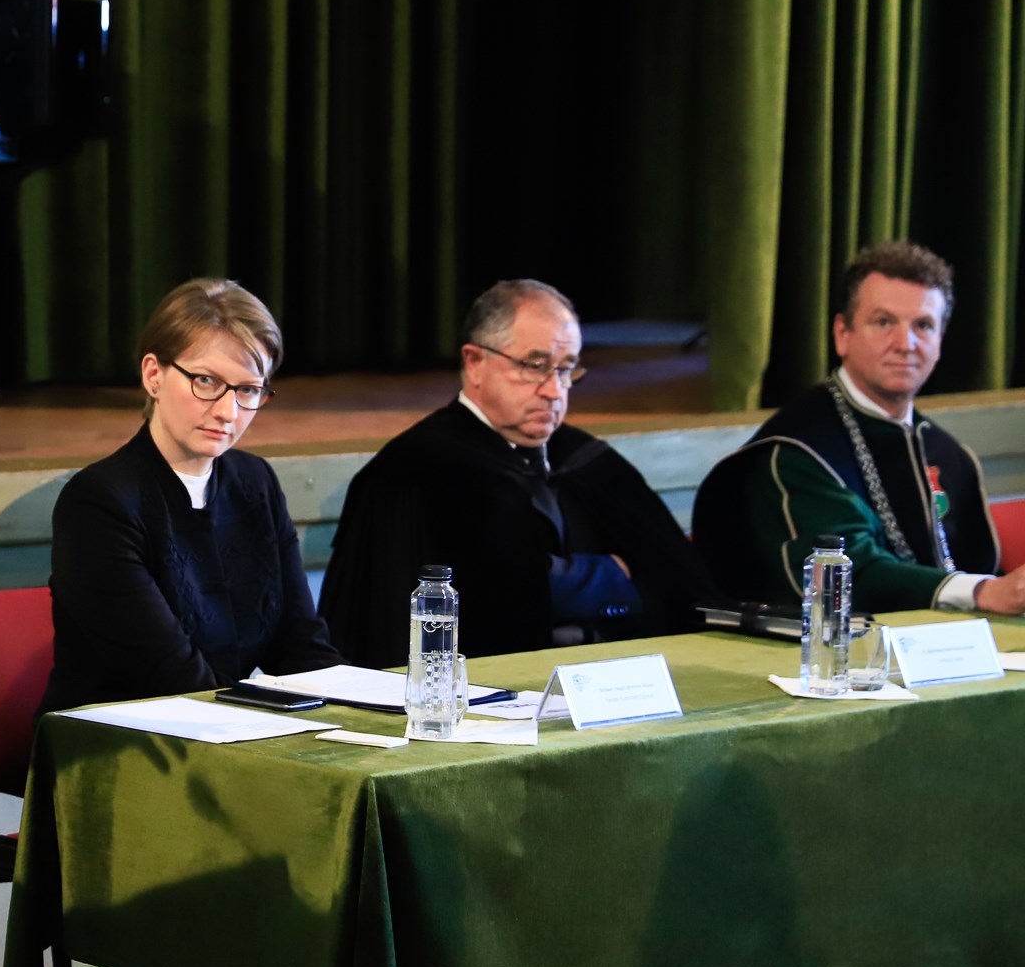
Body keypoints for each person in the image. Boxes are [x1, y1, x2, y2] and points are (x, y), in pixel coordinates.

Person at [36, 278, 338, 967]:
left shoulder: (255, 484)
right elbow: (175, 680)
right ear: (153, 373)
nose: (228, 409)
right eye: (207, 380)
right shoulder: (102, 500)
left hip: (242, 750)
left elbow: (305, 646)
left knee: (373, 881)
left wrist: (357, 721)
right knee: (332, 884)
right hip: (125, 765)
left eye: (249, 389)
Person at [321, 279, 710, 666]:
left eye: (566, 369)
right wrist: (612, 573)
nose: (554, 391)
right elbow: (491, 595)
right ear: (475, 363)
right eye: (535, 366)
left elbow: (672, 575)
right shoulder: (417, 470)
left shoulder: (585, 459)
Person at [692, 240, 1020, 613]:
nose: (906, 343)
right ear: (842, 334)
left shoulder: (950, 455)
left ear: (940, 342)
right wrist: (981, 592)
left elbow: (981, 568)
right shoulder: (798, 451)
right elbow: (844, 577)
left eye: (924, 325)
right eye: (884, 322)